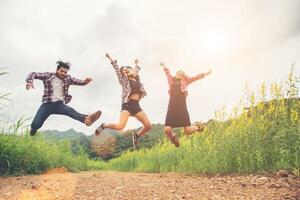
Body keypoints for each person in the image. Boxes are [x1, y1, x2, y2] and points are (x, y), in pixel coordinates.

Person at [26, 61, 101, 136]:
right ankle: (34, 128)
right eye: (61, 71)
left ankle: (86, 119)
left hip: (59, 105)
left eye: (65, 72)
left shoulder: (68, 78)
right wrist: (30, 82)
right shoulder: (48, 75)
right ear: (57, 70)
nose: (63, 73)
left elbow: (80, 82)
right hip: (47, 104)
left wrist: (85, 81)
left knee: (70, 111)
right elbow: (33, 74)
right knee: (36, 123)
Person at [95, 53, 151, 148]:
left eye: (126, 69)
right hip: (127, 104)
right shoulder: (124, 80)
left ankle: (136, 136)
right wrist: (110, 58)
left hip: (136, 105)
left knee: (148, 126)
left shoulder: (136, 77)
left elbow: (136, 70)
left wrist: (136, 64)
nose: (124, 71)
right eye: (123, 71)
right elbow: (117, 69)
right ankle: (104, 126)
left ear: (130, 70)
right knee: (121, 126)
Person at [160, 62, 211, 147]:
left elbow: (196, 77)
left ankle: (199, 127)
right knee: (167, 130)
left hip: (181, 107)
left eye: (182, 73)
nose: (180, 73)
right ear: (176, 75)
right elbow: (167, 73)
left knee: (187, 130)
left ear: (184, 76)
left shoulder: (186, 81)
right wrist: (164, 65)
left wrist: (207, 73)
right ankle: (174, 139)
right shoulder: (171, 81)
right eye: (178, 72)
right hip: (171, 108)